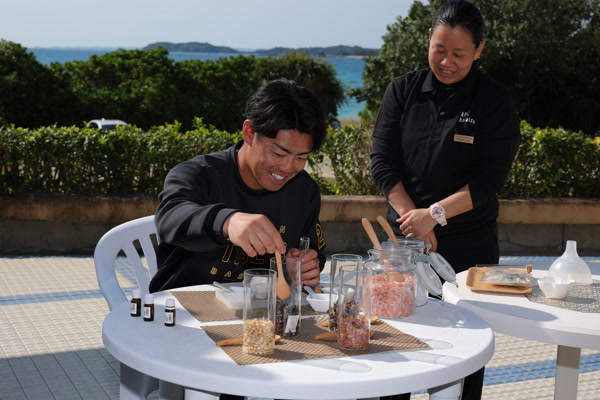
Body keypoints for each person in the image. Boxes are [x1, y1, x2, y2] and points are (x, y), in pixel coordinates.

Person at [371, 1, 520, 399]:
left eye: (459, 54)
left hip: (470, 246)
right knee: (395, 344)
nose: (446, 62)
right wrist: (414, 221)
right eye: (439, 50)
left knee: (464, 351)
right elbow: (383, 162)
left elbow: (490, 180)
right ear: (428, 40)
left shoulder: (495, 100)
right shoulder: (402, 90)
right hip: (402, 243)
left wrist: (435, 214)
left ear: (479, 50)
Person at [149, 78, 327, 295]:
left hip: (262, 308)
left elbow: (312, 251)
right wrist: (227, 221)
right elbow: (170, 217)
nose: (288, 168)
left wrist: (302, 267)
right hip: (182, 306)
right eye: (278, 153)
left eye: (301, 157)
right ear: (249, 133)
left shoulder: (304, 191)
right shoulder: (198, 174)